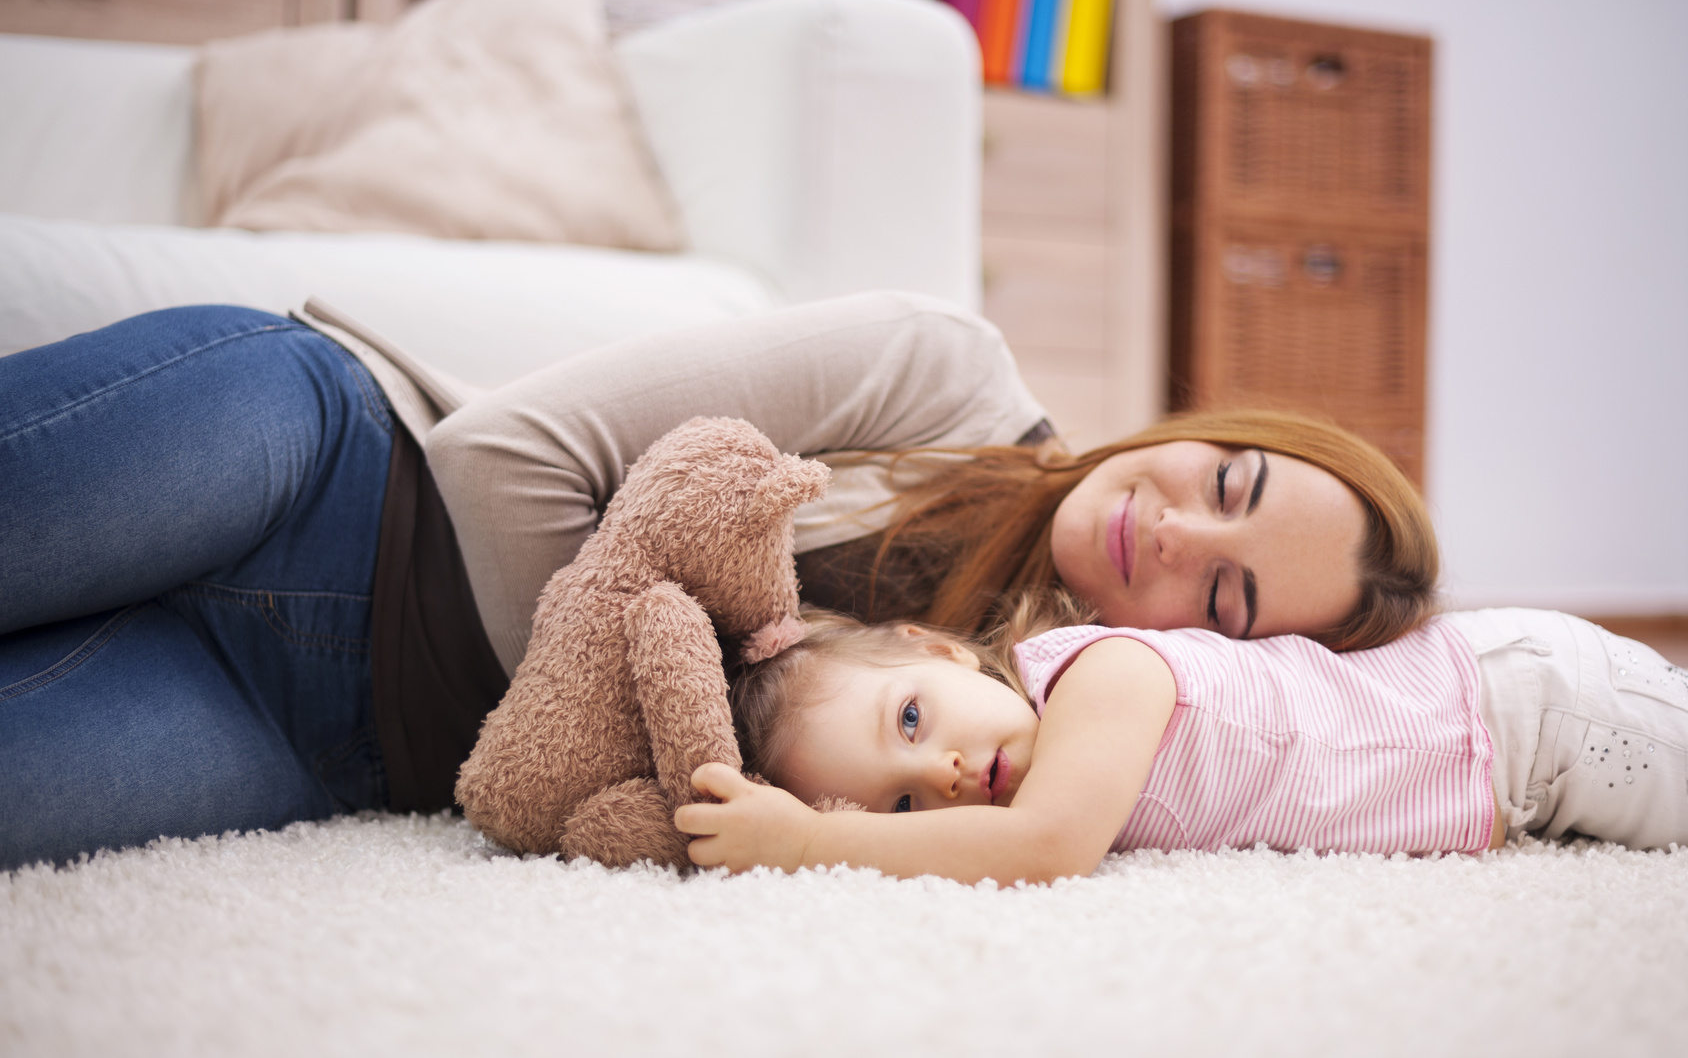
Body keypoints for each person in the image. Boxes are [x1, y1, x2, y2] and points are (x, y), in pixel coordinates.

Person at [0, 290, 1434, 869]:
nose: (1178, 538)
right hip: (328, 468)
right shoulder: (945, 372)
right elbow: (507, 457)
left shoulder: (1028, 729)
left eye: (1231, 597)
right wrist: (701, 670)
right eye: (1228, 483)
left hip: (339, 737)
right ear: (1208, 432)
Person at [679, 601, 1688, 884]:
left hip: (1529, 710)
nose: (938, 776)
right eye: (899, 804)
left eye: (909, 717)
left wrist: (808, 845)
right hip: (1512, 778)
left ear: (941, 648)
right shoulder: (1038, 771)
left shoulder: (1100, 675)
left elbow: (1042, 849)